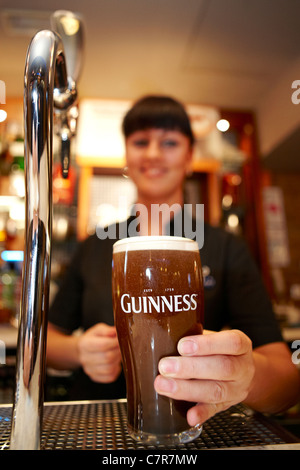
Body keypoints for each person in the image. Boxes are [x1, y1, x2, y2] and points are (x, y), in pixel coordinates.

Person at [46, 95, 300, 427]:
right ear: (127, 155)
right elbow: (46, 339)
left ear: (190, 157)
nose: (153, 153)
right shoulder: (96, 245)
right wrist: (78, 350)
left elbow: (287, 382)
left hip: (190, 423)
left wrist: (243, 376)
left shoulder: (226, 248)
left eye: (169, 142)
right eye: (140, 142)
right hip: (100, 422)